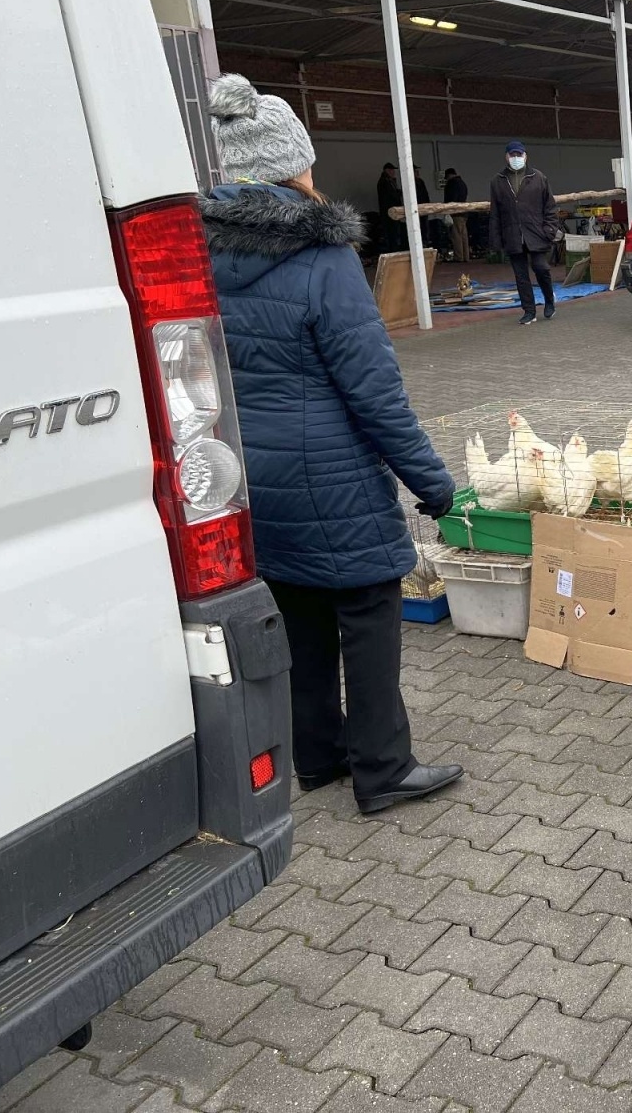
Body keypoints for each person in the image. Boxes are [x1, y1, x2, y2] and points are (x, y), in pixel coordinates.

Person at [201, 74, 462, 815]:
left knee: (300, 614)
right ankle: (384, 768)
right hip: (333, 478)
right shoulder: (323, 257)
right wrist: (433, 483)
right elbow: (375, 392)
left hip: (255, 477)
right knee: (369, 611)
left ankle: (317, 757)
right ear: (296, 165)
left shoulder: (198, 255)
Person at [489, 141, 560, 326]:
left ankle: (549, 300)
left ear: (525, 156)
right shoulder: (498, 181)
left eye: (519, 155)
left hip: (536, 233)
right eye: (512, 155)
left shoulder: (538, 177)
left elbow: (550, 207)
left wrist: (549, 230)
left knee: (541, 268)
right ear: (506, 157)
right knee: (521, 276)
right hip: (512, 235)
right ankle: (529, 311)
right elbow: (495, 213)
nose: (516, 158)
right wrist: (496, 240)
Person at [442, 167, 470, 263]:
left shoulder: (451, 184)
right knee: (464, 235)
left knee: (456, 235)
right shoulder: (462, 183)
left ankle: (459, 257)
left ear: (449, 175)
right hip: (464, 212)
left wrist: (448, 210)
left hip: (455, 213)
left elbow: (451, 198)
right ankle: (466, 256)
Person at [376, 162, 405, 251]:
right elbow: (390, 196)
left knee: (394, 233)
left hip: (391, 212)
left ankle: (394, 249)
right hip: (389, 213)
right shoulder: (384, 182)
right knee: (392, 233)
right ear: (387, 171)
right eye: (392, 170)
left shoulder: (389, 181)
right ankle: (393, 250)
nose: (393, 172)